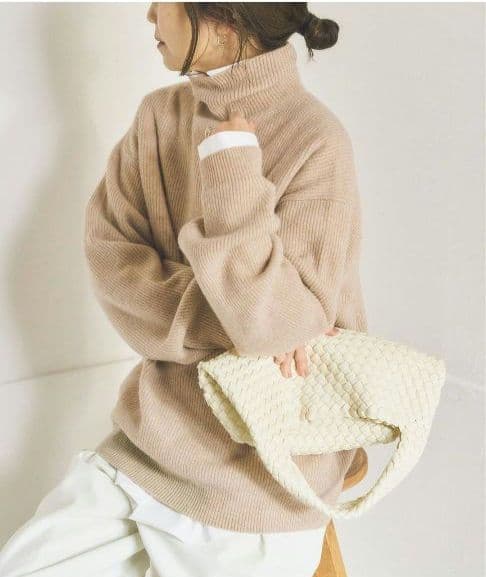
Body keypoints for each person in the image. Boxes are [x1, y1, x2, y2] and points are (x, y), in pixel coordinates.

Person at [0, 3, 368, 576]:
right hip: (148, 448)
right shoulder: (158, 116)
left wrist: (232, 169)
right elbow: (112, 262)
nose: (150, 12)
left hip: (262, 481)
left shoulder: (317, 139)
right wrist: (234, 322)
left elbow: (279, 324)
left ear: (222, 18)